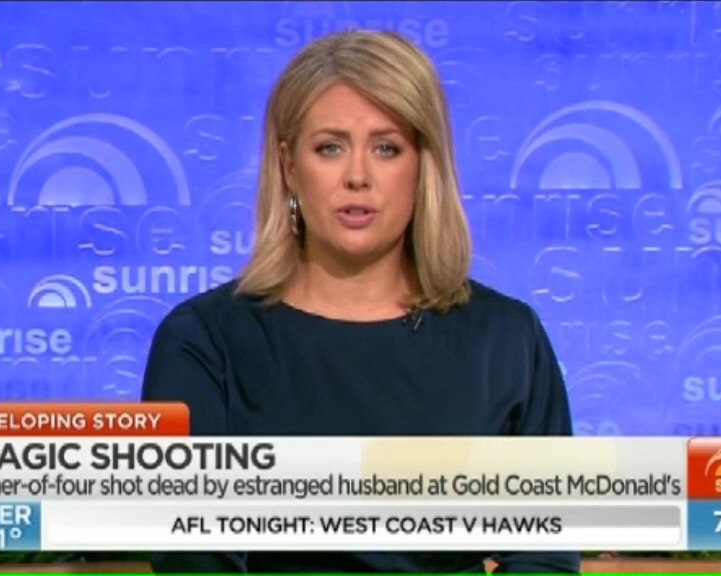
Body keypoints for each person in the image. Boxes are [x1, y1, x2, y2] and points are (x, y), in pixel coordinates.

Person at [141, 29, 580, 574]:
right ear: (289, 165)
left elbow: (545, 554)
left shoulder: (506, 339)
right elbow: (193, 557)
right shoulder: (204, 342)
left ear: (423, 164)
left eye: (386, 148)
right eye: (330, 147)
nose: (357, 177)